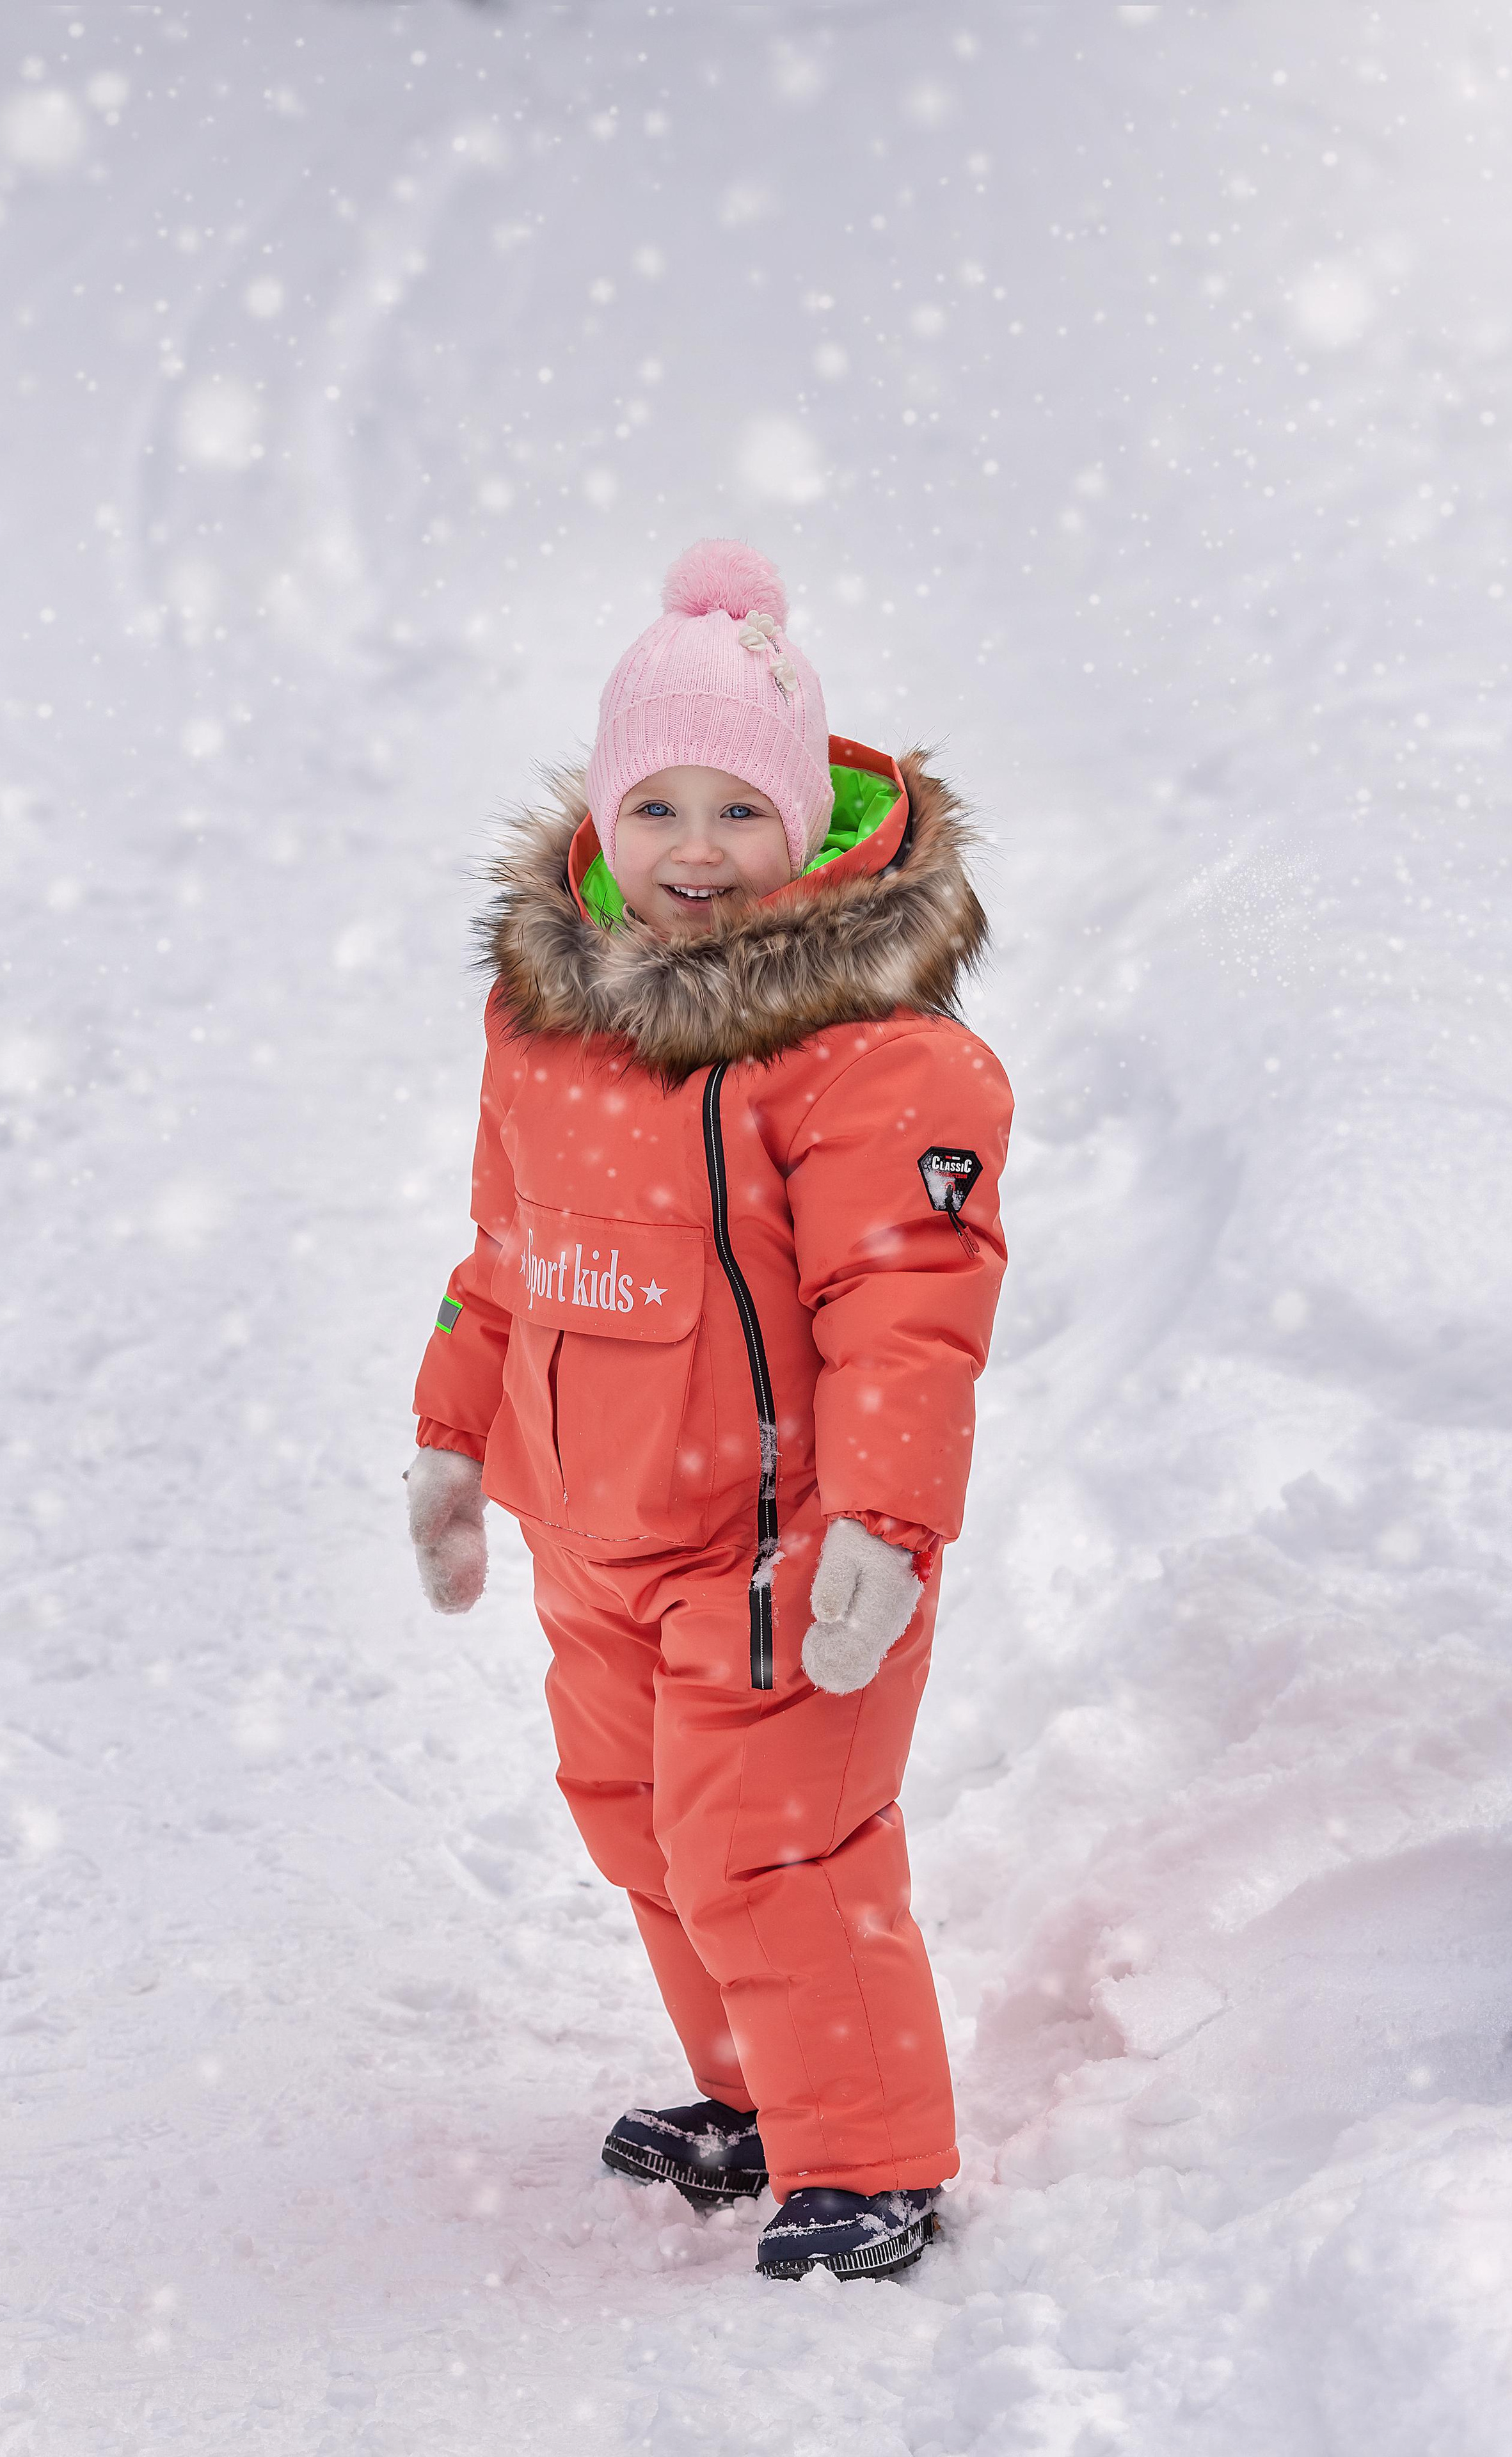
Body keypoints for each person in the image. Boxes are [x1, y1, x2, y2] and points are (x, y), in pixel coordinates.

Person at [406, 539, 1011, 2282]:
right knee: (641, 1825)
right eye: (655, 806)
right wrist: (455, 1443)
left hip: (787, 1552)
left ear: (812, 823)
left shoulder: (876, 1061)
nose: (692, 850)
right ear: (603, 824)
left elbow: (910, 1309)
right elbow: (501, 1254)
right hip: (592, 1539)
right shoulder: (550, 1027)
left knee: (775, 1846)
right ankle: (755, 2098)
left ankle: (872, 2157)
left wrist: (886, 1527)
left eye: (737, 810)